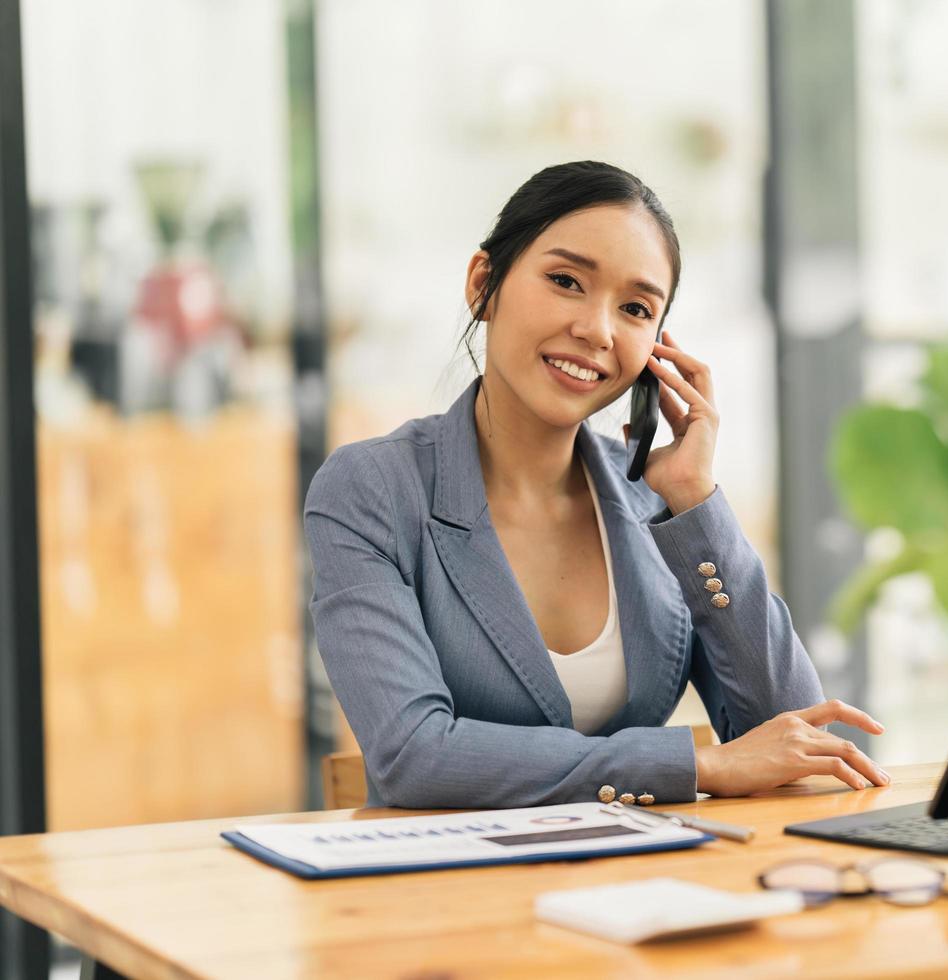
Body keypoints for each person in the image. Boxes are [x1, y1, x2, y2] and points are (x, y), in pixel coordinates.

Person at [304, 161, 889, 809]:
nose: (598, 330)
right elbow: (416, 755)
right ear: (483, 284)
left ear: (657, 347)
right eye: (565, 281)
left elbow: (798, 738)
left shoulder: (656, 505)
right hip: (449, 896)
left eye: (635, 308)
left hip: (642, 892)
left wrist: (696, 503)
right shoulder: (372, 490)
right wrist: (695, 766)